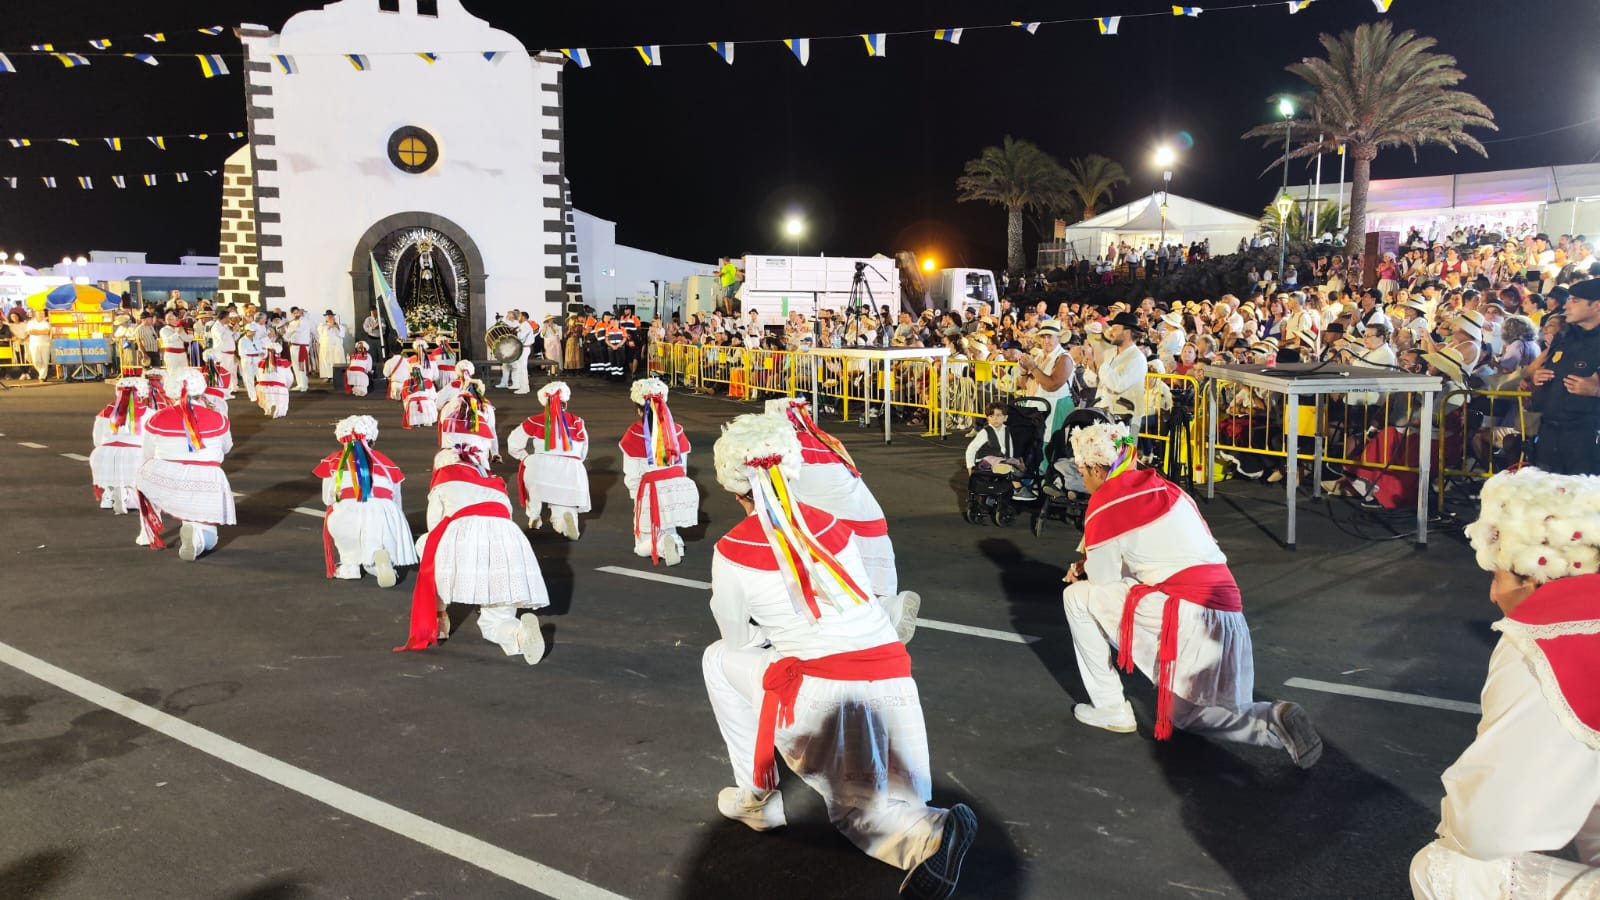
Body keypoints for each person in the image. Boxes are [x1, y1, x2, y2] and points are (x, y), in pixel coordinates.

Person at [700, 413, 975, 900]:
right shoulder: (832, 526)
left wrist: (772, 636)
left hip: (828, 689)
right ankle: (926, 821)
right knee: (876, 789)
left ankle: (759, 798)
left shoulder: (733, 548)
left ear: (736, 488)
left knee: (719, 659)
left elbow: (737, 637)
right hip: (891, 674)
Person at [1060, 421, 1323, 767]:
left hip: (1184, 613)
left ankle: (1111, 707)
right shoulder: (1167, 488)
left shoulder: (1108, 499)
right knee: (1183, 716)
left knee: (1078, 598)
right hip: (1227, 613)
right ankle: (1272, 722)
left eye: (1082, 471)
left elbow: (1106, 579)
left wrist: (1083, 568)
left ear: (1097, 467)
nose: (1082, 479)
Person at [1410, 468, 1600, 898]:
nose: (1493, 596)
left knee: (1449, 868)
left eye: (1496, 576)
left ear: (1534, 574)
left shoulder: (1545, 635)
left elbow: (1486, 826)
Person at [765, 396, 913, 628]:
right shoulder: (825, 441)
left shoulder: (787, 450)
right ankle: (887, 606)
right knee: (871, 580)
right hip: (870, 518)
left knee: (832, 577)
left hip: (841, 527)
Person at [395, 445, 548, 664]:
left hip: (466, 538)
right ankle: (520, 634)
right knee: (496, 619)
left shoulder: (444, 479)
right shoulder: (496, 484)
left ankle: (439, 615)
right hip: (506, 544)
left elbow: (435, 524)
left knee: (427, 547)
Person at [135, 369, 235, 561]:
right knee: (210, 536)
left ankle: (147, 533)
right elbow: (226, 447)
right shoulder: (219, 418)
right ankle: (197, 535)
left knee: (143, 475)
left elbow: (146, 453)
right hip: (206, 477)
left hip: (164, 477)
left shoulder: (156, 418)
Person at [315, 415, 416, 587]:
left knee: (345, 535)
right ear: (372, 440)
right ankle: (378, 563)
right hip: (384, 511)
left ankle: (350, 567)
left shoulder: (334, 461)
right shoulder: (387, 463)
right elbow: (396, 500)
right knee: (377, 537)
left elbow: (328, 498)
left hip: (348, 512)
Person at [620, 378, 697, 566]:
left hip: (650, 490)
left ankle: (662, 544)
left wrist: (635, 498)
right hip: (676, 488)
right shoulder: (676, 431)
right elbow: (682, 466)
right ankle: (674, 541)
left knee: (641, 545)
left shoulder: (634, 433)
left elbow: (631, 473)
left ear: (639, 410)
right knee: (669, 526)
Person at [1529, 277, 1600, 474]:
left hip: (1587, 439)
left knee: (1584, 501)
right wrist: (1538, 378)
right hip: (1550, 433)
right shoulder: (1565, 336)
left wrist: (1596, 390)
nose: (1567, 305)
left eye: (1575, 300)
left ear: (1596, 306)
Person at [506, 380, 590, 539]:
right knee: (565, 502)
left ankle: (534, 516)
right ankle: (565, 523)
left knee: (535, 487)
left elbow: (514, 442)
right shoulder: (578, 421)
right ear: (566, 401)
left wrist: (524, 457)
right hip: (571, 467)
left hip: (541, 465)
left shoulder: (535, 420)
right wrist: (574, 463)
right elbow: (583, 449)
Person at [90, 375, 155, 515]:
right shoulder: (151, 413)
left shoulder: (105, 412)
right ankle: (129, 495)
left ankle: (109, 494)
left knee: (109, 458)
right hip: (135, 456)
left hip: (103, 455)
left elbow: (97, 439)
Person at [436, 376, 498, 461]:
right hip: (475, 453)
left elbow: (444, 425)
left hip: (452, 451)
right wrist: (495, 452)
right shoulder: (486, 408)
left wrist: (445, 448)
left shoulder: (450, 406)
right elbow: (491, 430)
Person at [256, 340, 293, 419]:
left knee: (265, 390)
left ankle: (268, 408)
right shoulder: (284, 363)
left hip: (263, 388)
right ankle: (277, 410)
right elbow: (290, 378)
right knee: (281, 394)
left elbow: (258, 377)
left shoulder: (261, 363)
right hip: (278, 388)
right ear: (279, 353)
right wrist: (287, 387)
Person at [316, 310, 348, 382]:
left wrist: (336, 325)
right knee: (326, 360)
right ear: (325, 317)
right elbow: (322, 333)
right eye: (328, 316)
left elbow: (342, 334)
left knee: (337, 360)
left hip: (336, 346)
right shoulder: (322, 325)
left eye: (331, 316)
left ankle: (337, 376)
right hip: (326, 346)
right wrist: (330, 326)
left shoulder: (339, 325)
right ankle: (328, 376)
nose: (330, 317)